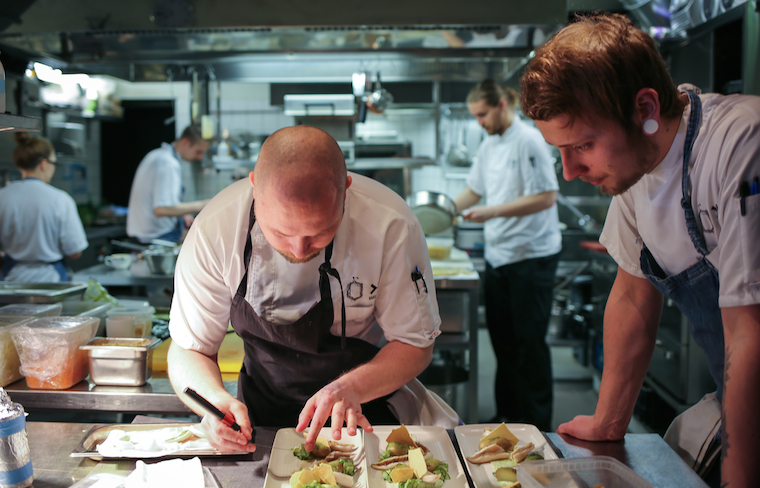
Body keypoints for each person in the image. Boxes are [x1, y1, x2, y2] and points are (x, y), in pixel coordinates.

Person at [520, 12, 760, 487]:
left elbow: (749, 334)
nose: (569, 171)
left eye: (583, 144)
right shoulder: (632, 173)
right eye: (560, 150)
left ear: (646, 107)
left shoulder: (740, 143)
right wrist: (609, 421)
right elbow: (632, 296)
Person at [167, 125, 457, 454]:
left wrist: (352, 387)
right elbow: (189, 348)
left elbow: (414, 344)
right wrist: (213, 403)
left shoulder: (391, 225)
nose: (300, 249)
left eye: (320, 232)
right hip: (258, 420)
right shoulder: (215, 230)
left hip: (369, 413)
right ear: (254, 188)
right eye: (280, 232)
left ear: (346, 191)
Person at [453, 80, 562, 431]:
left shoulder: (529, 140)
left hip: (530, 256)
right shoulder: (489, 144)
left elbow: (546, 197)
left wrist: (493, 212)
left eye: (482, 114)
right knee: (502, 343)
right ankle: (507, 419)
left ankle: (536, 424)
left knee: (529, 344)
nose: (479, 122)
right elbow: (474, 190)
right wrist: (440, 209)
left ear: (501, 105)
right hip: (498, 257)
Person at [0, 133, 88, 282]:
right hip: (51, 281)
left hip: (10, 280)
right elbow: (75, 252)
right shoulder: (60, 199)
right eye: (54, 163)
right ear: (43, 164)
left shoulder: (3, 196)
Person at [126, 125, 210, 243]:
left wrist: (182, 215)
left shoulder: (157, 155)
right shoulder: (168, 163)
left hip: (144, 235)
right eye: (198, 151)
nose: (200, 157)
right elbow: (162, 209)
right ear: (185, 142)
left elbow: (159, 201)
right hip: (157, 238)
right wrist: (205, 204)